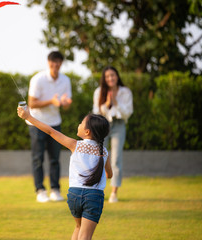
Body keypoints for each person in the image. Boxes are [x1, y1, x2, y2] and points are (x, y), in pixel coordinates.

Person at [18, 106, 112, 240]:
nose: (79, 124)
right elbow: (109, 175)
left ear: (87, 132)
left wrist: (28, 117)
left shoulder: (75, 145)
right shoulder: (105, 152)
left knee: (78, 228)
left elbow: (50, 131)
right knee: (85, 236)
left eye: (81, 123)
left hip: (74, 195)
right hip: (94, 197)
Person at [27, 51, 72, 202]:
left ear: (61, 63)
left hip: (55, 122)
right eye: (53, 61)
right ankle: (40, 190)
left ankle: (55, 190)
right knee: (38, 158)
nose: (56, 64)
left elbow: (65, 105)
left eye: (59, 62)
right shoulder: (38, 79)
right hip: (37, 122)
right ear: (48, 62)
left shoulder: (65, 80)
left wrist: (65, 104)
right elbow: (32, 103)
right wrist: (51, 102)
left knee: (55, 158)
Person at [92, 66, 133, 203]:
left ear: (117, 76)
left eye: (113, 75)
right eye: (107, 76)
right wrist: (107, 103)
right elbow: (96, 113)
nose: (110, 78)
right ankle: (97, 189)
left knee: (116, 159)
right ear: (104, 78)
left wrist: (116, 103)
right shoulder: (99, 92)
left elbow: (128, 112)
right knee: (100, 157)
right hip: (103, 125)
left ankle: (114, 192)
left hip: (119, 125)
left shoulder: (125, 92)